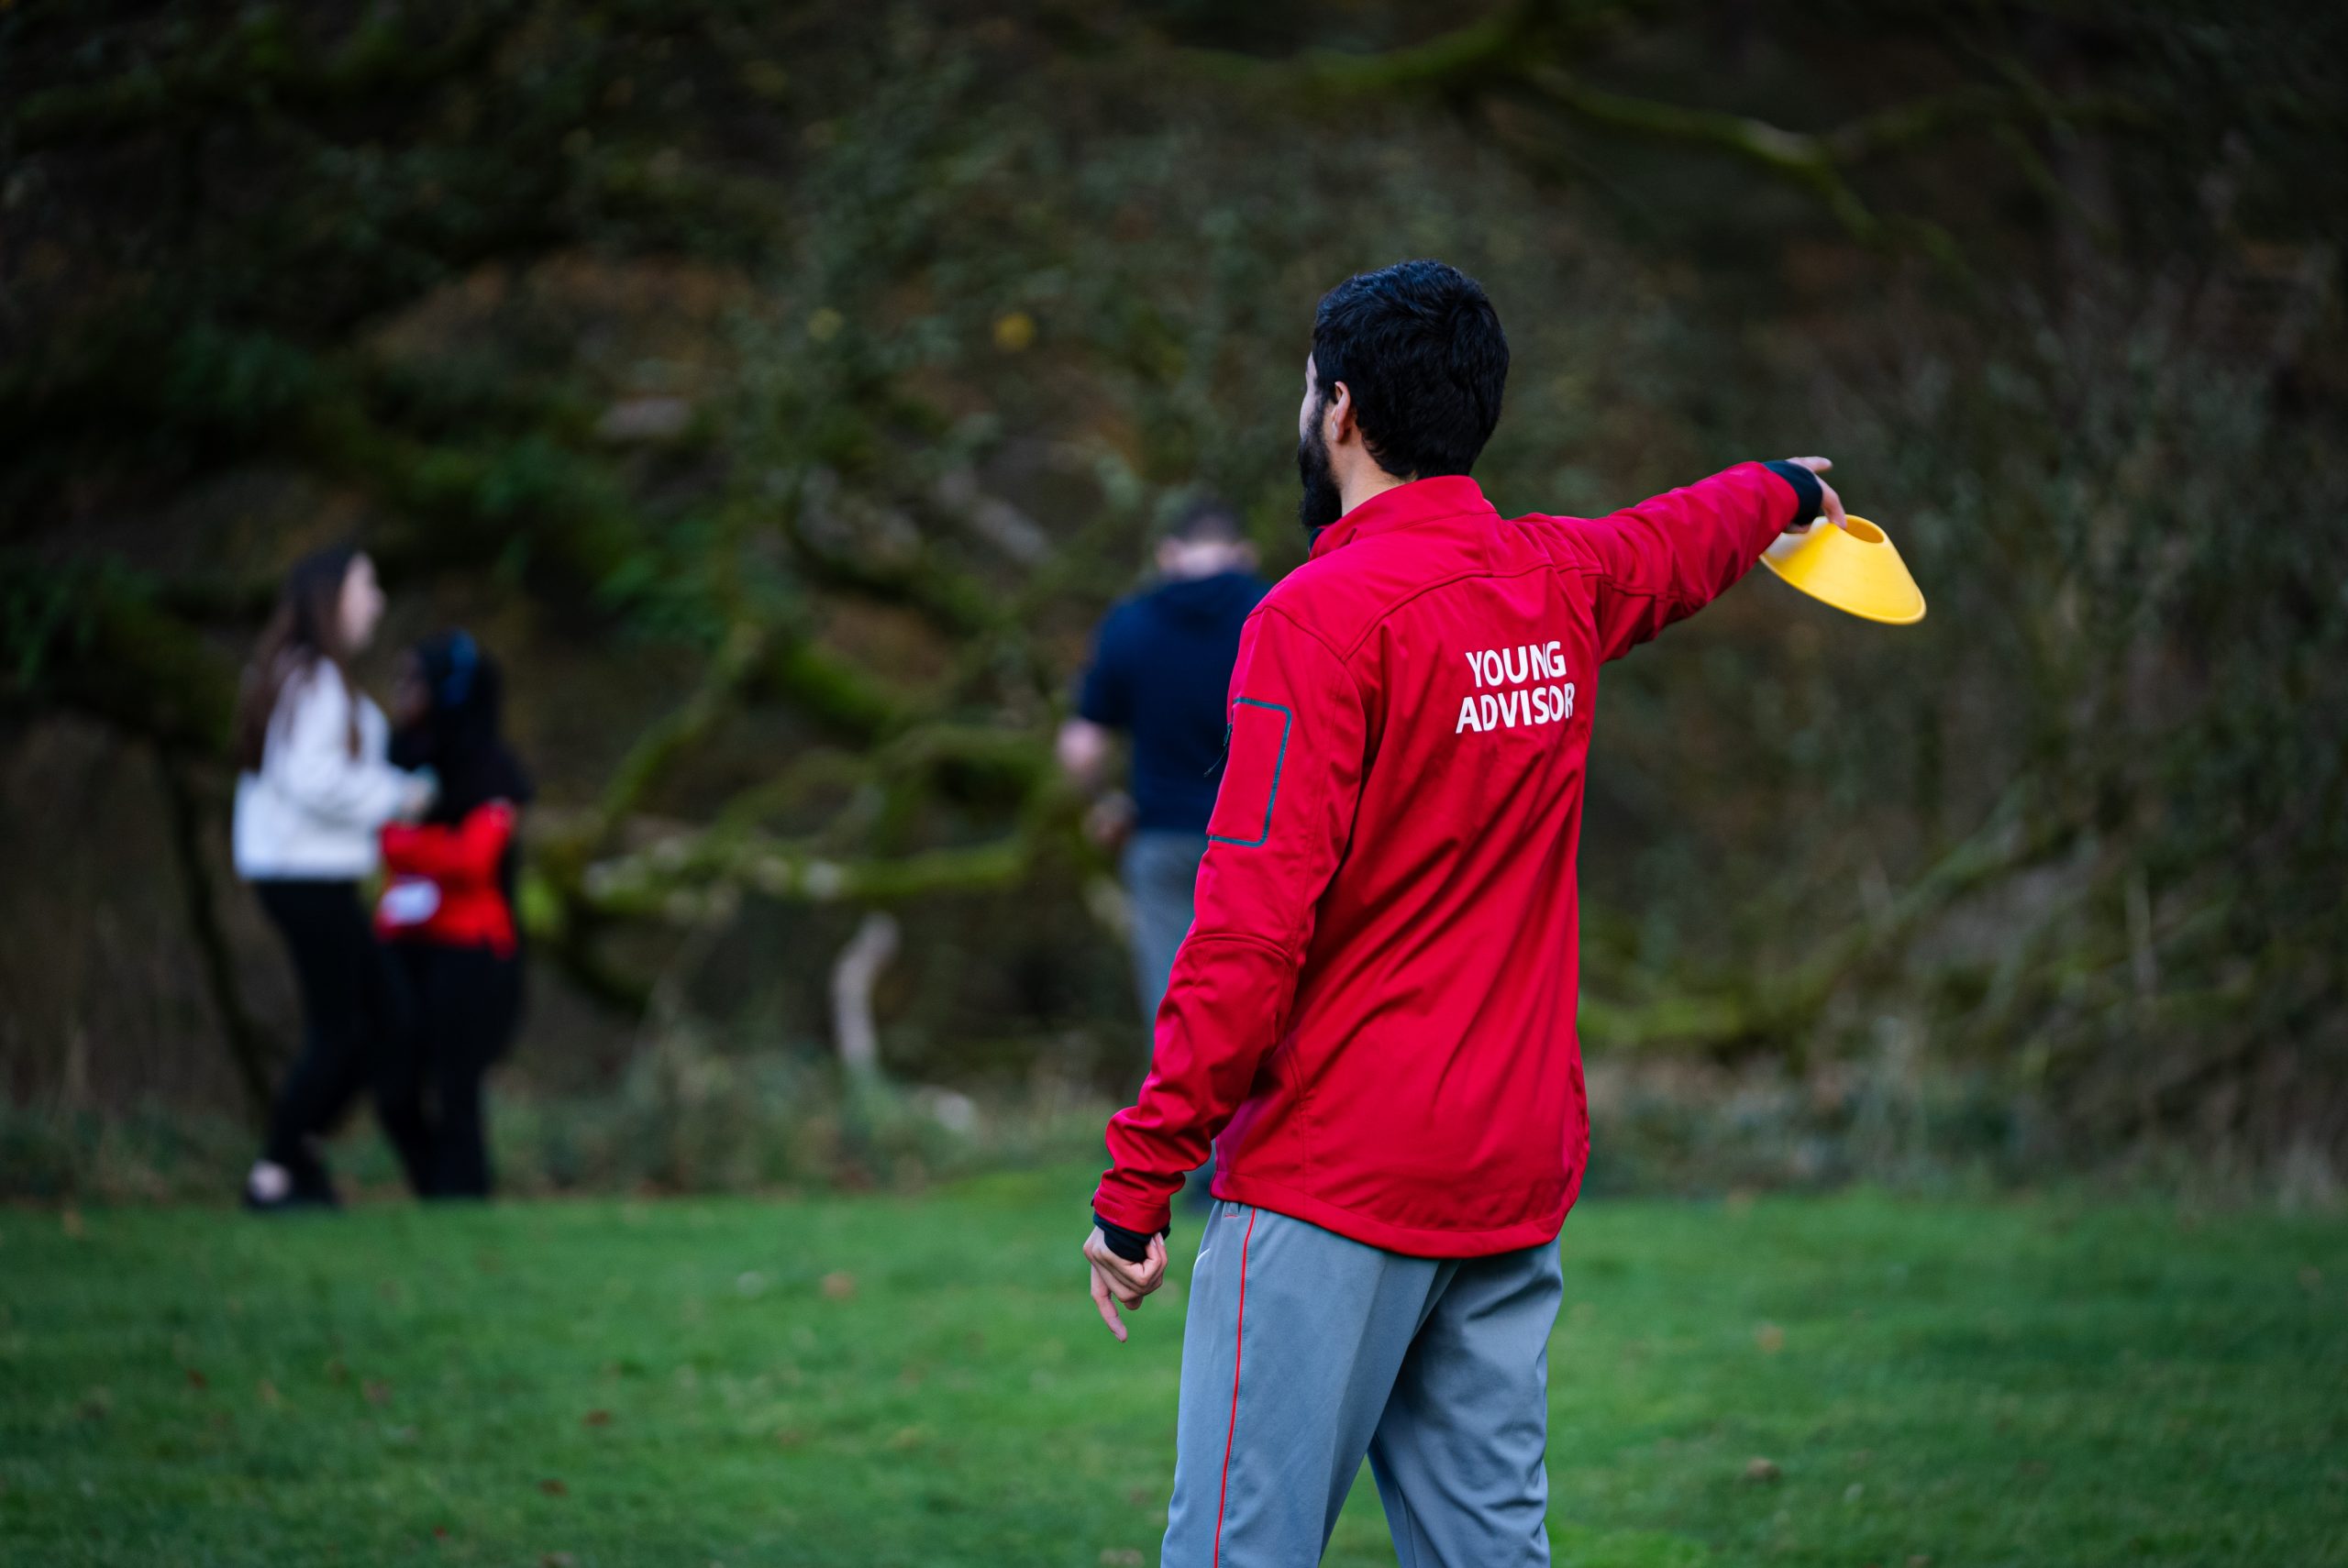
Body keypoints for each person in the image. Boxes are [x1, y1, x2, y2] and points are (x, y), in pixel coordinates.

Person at [1079, 259, 1847, 1567]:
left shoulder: (1313, 621)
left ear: (1340, 410)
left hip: (1333, 1175)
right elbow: (1682, 536)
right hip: (1507, 1173)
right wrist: (1782, 487)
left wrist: (1140, 1178)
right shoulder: (1554, 579)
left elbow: (1247, 935)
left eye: (1307, 388)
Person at [233, 547, 436, 1211]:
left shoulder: (297, 675)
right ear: (332, 598)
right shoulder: (315, 680)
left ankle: (298, 1159)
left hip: (307, 874)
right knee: (356, 1025)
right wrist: (399, 795)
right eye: (366, 586)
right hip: (306, 876)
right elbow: (312, 779)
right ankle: (276, 1172)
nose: (377, 601)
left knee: (378, 1021)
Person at [1058, 498, 1268, 1055]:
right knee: (1264, 1004)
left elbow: (1080, 748)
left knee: (1176, 1013)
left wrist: (1103, 802)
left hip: (1162, 839)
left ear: (1168, 553)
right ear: (1244, 553)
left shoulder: (1130, 624)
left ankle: (1185, 1112)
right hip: (1259, 843)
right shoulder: (1274, 614)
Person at [373, 630, 535, 1199]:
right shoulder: (391, 756)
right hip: (400, 942)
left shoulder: (491, 769)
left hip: (470, 947)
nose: (402, 693)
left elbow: (472, 860)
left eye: (414, 681)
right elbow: (370, 836)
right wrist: (420, 843)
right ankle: (434, 1190)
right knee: (392, 1084)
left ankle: (462, 1197)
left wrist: (404, 842)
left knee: (456, 1085)